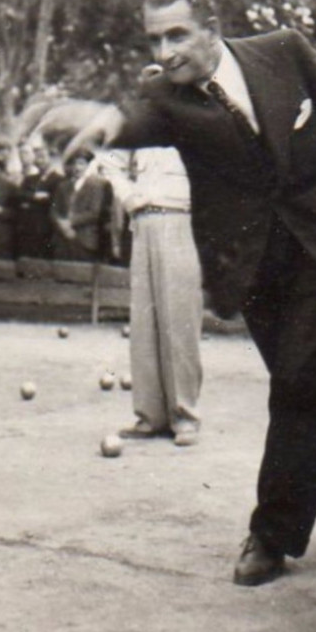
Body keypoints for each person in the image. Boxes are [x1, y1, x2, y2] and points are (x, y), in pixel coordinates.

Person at [66, 0, 316, 585]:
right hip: (252, 268)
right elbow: (138, 120)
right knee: (311, 388)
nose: (166, 51)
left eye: (177, 35)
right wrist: (103, 125)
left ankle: (273, 535)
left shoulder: (285, 53)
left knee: (301, 384)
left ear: (211, 25)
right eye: (154, 39)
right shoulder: (167, 95)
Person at [98, 137, 204, 447]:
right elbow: (110, 162)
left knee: (179, 320)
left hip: (182, 218)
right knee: (144, 322)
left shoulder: (203, 109)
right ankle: (150, 416)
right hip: (142, 220)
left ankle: (185, 415)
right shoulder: (142, 119)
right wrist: (130, 196)